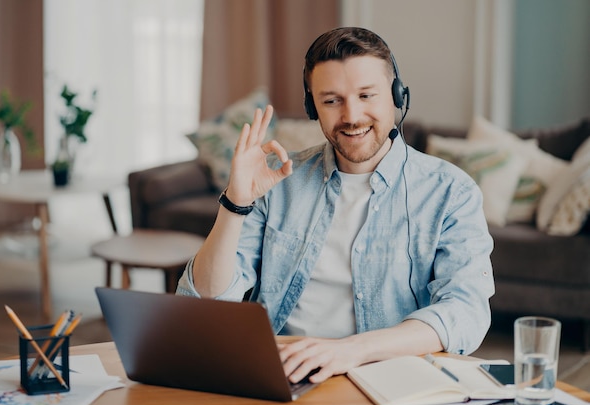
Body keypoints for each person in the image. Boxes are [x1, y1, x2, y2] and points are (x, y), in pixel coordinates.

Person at [177, 27, 495, 385]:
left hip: (387, 377)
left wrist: (351, 350)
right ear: (312, 107)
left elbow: (466, 311)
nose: (352, 115)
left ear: (396, 96)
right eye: (332, 100)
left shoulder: (451, 192)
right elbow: (205, 302)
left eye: (366, 95)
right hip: (281, 376)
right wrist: (235, 203)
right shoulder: (280, 182)